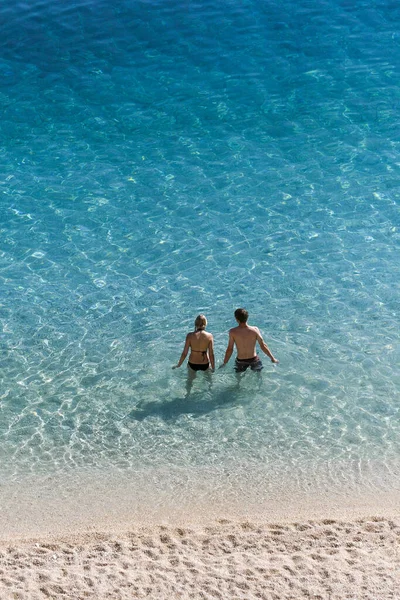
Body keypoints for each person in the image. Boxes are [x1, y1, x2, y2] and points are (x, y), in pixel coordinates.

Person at [219, 308, 278, 373]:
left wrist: (225, 363)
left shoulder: (233, 332)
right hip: (254, 360)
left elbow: (230, 349)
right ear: (247, 317)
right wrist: (272, 358)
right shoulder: (255, 330)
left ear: (236, 319)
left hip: (241, 361)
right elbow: (263, 345)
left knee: (238, 380)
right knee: (258, 378)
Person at [173, 314, 215, 394]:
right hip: (205, 363)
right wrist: (213, 367)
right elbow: (211, 354)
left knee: (190, 381)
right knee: (209, 380)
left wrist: (179, 365)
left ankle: (187, 395)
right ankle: (210, 393)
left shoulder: (190, 336)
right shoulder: (209, 336)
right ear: (205, 324)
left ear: (195, 324)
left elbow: (184, 353)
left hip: (192, 363)